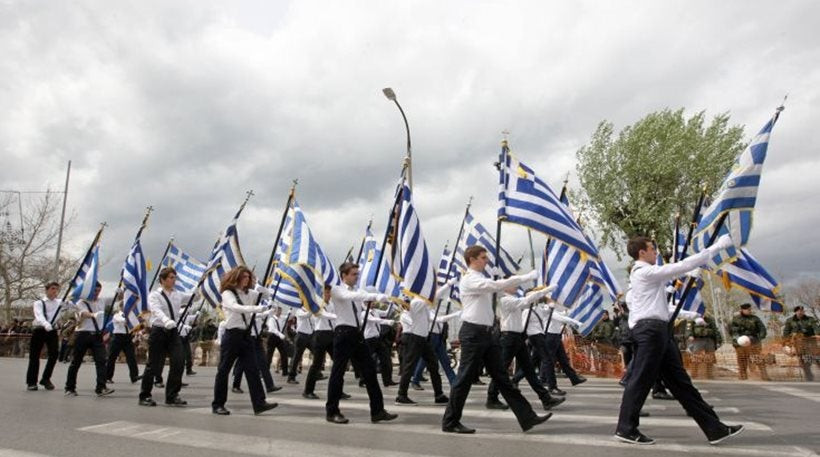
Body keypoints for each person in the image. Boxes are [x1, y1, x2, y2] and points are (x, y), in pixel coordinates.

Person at [615, 235, 743, 445]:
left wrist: (682, 280)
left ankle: (715, 429)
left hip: (658, 331)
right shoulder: (642, 272)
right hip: (650, 332)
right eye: (652, 249)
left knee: (682, 384)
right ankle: (626, 428)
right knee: (640, 380)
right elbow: (679, 266)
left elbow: (669, 288)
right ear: (642, 253)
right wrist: (716, 247)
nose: (655, 253)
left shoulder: (647, 276)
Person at [442, 245, 552, 434]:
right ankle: (450, 421)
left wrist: (538, 290)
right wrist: (525, 277)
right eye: (483, 258)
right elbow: (496, 286)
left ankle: (527, 417)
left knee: (502, 377)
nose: (486, 261)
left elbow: (507, 291)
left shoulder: (482, 279)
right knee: (464, 379)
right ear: (472, 259)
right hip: (473, 333)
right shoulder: (469, 280)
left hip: (487, 334)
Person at [325, 261, 397, 425]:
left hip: (357, 334)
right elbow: (349, 296)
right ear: (344, 275)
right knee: (338, 373)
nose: (356, 277)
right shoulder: (337, 290)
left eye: (357, 274)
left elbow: (360, 301)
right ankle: (332, 411)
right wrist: (373, 296)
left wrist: (377, 298)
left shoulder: (357, 291)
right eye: (353, 274)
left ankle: (377, 411)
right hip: (343, 333)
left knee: (370, 372)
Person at [211, 266, 278, 416]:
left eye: (248, 277)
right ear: (236, 277)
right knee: (224, 370)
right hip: (232, 335)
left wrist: (263, 290)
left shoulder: (250, 293)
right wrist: (256, 309)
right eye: (244, 277)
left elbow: (269, 296)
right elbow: (235, 307)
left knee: (253, 370)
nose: (247, 280)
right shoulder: (228, 293)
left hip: (246, 335)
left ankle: (259, 403)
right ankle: (218, 404)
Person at [487, 286, 564, 411]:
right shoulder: (505, 300)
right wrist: (545, 290)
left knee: (529, 370)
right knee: (501, 370)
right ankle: (492, 397)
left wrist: (541, 296)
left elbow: (529, 302)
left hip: (518, 337)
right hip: (509, 338)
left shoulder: (514, 299)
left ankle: (546, 398)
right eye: (513, 283)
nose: (516, 286)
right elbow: (525, 301)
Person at [395, 282, 457, 406]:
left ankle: (439, 394)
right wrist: (448, 284)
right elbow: (433, 298)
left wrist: (456, 314)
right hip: (414, 338)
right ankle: (401, 396)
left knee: (433, 366)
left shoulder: (422, 306)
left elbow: (436, 319)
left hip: (423, 339)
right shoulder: (417, 303)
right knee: (409, 367)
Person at [138, 267, 192, 407]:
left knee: (179, 361)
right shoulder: (154, 295)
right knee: (154, 365)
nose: (174, 280)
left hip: (173, 332)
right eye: (171, 277)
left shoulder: (177, 294)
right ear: (162, 279)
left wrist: (201, 287)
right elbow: (156, 310)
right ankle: (145, 395)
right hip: (159, 331)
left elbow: (194, 297)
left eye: (175, 277)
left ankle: (172, 395)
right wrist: (166, 320)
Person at [64, 282, 115, 397]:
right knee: (76, 362)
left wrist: (121, 291)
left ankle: (101, 387)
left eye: (98, 291)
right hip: (82, 334)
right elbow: (83, 313)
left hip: (97, 335)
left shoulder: (101, 301)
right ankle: (70, 387)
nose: (96, 293)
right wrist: (93, 315)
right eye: (94, 291)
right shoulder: (81, 302)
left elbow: (115, 298)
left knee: (101, 361)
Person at [26, 281, 65, 391]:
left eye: (57, 289)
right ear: (47, 290)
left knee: (54, 353)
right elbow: (39, 315)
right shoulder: (39, 303)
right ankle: (31, 382)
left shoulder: (60, 302)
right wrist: (46, 324)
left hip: (52, 331)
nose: (55, 291)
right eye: (52, 289)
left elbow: (74, 305)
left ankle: (46, 378)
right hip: (40, 329)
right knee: (35, 355)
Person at [303, 287, 339, 399]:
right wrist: (337, 317)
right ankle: (308, 390)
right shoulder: (317, 304)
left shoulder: (332, 305)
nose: (328, 294)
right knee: (317, 364)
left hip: (331, 334)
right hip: (320, 335)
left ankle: (338, 390)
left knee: (338, 362)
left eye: (329, 292)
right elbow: (322, 315)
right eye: (326, 292)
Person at [541, 307, 586, 395]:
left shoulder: (557, 310)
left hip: (556, 337)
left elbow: (563, 315)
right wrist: (576, 322)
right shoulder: (548, 309)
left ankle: (574, 378)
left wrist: (568, 311)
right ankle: (551, 386)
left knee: (563, 359)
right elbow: (560, 318)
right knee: (549, 362)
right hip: (550, 336)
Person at [730, 303, 769, 381]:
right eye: (748, 310)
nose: (749, 311)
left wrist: (760, 337)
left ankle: (764, 375)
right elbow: (732, 331)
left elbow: (762, 329)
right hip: (741, 342)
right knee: (742, 360)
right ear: (742, 310)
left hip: (754, 341)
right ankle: (743, 375)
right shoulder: (736, 319)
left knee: (758, 358)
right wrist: (737, 340)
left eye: (750, 309)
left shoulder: (755, 319)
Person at [105, 303, 142, 383]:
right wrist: (128, 320)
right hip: (118, 337)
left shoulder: (131, 316)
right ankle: (108, 377)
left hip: (128, 337)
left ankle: (134, 376)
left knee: (131, 357)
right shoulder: (117, 315)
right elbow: (121, 320)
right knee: (112, 357)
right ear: (121, 307)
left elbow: (136, 325)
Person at [783, 305, 819, 381]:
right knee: (804, 361)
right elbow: (786, 333)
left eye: (802, 310)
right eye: (798, 311)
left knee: (816, 359)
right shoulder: (789, 321)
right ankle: (809, 378)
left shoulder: (810, 319)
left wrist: (817, 334)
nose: (800, 312)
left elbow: (816, 329)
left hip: (810, 341)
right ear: (795, 312)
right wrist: (788, 344)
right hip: (797, 343)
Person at [686, 314, 722, 379]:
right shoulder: (692, 319)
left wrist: (719, 340)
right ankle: (694, 374)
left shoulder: (709, 320)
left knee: (710, 358)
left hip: (709, 340)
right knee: (696, 358)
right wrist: (690, 335)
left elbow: (715, 330)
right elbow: (688, 329)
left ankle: (709, 374)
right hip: (698, 340)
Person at [287, 307, 315, 384]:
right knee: (297, 357)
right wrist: (313, 309)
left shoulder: (309, 312)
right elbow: (306, 315)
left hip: (310, 336)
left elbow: (313, 322)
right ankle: (291, 377)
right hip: (301, 336)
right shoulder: (299, 311)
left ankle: (317, 373)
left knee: (317, 353)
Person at [265, 306, 290, 375]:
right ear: (275, 311)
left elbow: (288, 317)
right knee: (269, 355)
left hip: (279, 338)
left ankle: (285, 371)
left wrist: (289, 312)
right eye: (278, 311)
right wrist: (280, 335)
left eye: (280, 311)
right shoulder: (271, 319)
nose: (279, 312)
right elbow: (272, 329)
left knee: (284, 354)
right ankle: (266, 371)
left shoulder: (281, 318)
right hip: (272, 337)